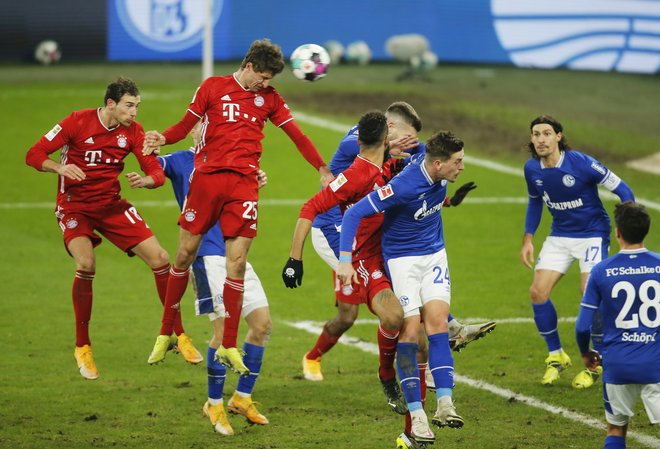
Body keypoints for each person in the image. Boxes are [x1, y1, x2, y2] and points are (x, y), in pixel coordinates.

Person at [143, 39, 332, 372]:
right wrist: (163, 139)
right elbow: (184, 126)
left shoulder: (270, 100)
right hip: (207, 180)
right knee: (185, 254)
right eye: (263, 76)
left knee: (239, 263)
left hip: (244, 185)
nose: (266, 83)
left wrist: (321, 167)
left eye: (270, 79)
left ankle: (229, 343)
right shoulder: (213, 87)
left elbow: (297, 135)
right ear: (248, 67)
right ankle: (165, 332)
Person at [299, 101, 494, 384]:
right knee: (355, 314)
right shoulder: (356, 142)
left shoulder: (387, 147)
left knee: (393, 306)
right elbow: (362, 159)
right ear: (390, 130)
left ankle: (430, 361)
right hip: (336, 233)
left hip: (367, 230)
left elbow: (409, 180)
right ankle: (317, 357)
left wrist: (446, 196)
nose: (410, 143)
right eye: (408, 137)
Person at [24, 77, 203, 381]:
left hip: (111, 207)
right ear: (111, 104)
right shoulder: (76, 122)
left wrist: (148, 180)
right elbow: (34, 154)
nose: (134, 112)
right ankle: (82, 345)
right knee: (86, 263)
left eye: (137, 106)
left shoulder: (134, 132)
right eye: (129, 106)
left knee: (160, 258)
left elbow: (155, 171)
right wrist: (59, 167)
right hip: (75, 207)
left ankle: (179, 334)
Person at [338, 130, 469, 445]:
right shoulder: (402, 186)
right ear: (438, 164)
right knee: (411, 332)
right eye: (458, 162)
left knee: (438, 324)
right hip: (403, 262)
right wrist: (344, 260)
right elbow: (355, 212)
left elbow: (422, 147)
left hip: (435, 255)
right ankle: (418, 417)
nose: (462, 168)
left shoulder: (433, 158)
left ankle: (446, 404)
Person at [282, 111, 408, 415]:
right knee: (377, 316)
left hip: (384, 246)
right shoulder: (358, 173)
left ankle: (431, 368)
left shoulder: (384, 164)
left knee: (412, 316)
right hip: (355, 251)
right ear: (384, 138)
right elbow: (311, 206)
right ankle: (386, 376)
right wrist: (294, 259)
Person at [158, 123, 271, 436]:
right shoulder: (183, 160)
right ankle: (213, 403)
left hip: (236, 255)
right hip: (207, 257)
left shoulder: (236, 162)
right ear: (194, 133)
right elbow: (156, 167)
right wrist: (147, 156)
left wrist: (255, 179)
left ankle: (241, 398)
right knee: (222, 335)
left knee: (261, 325)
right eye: (202, 128)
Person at [519, 115, 635, 388]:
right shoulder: (531, 169)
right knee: (537, 292)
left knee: (589, 293)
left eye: (547, 133)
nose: (540, 139)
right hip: (560, 236)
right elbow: (535, 203)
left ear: (559, 136)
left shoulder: (582, 163)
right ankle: (556, 355)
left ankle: (597, 361)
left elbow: (625, 191)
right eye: (536, 134)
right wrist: (528, 239)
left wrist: (626, 232)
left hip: (593, 235)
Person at [575, 202, 658, 449]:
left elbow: (582, 326)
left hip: (618, 364)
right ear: (646, 230)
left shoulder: (601, 271)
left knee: (616, 429)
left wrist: (585, 353)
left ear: (618, 232)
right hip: (656, 363)